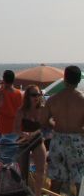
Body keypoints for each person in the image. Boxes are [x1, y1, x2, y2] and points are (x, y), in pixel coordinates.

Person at [42, 65, 84, 195]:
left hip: (58, 139)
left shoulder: (53, 99)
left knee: (56, 180)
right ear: (78, 81)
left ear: (64, 79)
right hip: (77, 140)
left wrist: (56, 125)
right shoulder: (82, 100)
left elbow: (44, 121)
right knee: (79, 180)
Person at [14, 85, 46, 196]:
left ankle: (37, 194)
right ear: (28, 96)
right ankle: (24, 192)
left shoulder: (42, 109)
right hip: (24, 141)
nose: (36, 97)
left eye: (38, 94)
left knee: (41, 170)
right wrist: (24, 134)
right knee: (23, 172)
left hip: (38, 139)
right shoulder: (22, 111)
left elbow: (46, 125)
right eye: (33, 95)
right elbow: (16, 129)